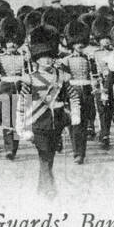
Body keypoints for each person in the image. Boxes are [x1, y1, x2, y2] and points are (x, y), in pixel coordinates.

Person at [24, 25, 69, 198]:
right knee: (44, 155)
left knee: (49, 156)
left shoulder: (60, 76)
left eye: (50, 57)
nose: (48, 60)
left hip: (55, 122)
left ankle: (41, 186)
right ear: (37, 59)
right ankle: (50, 187)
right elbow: (23, 103)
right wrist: (24, 127)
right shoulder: (30, 78)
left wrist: (68, 115)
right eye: (43, 58)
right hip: (38, 122)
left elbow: (67, 96)